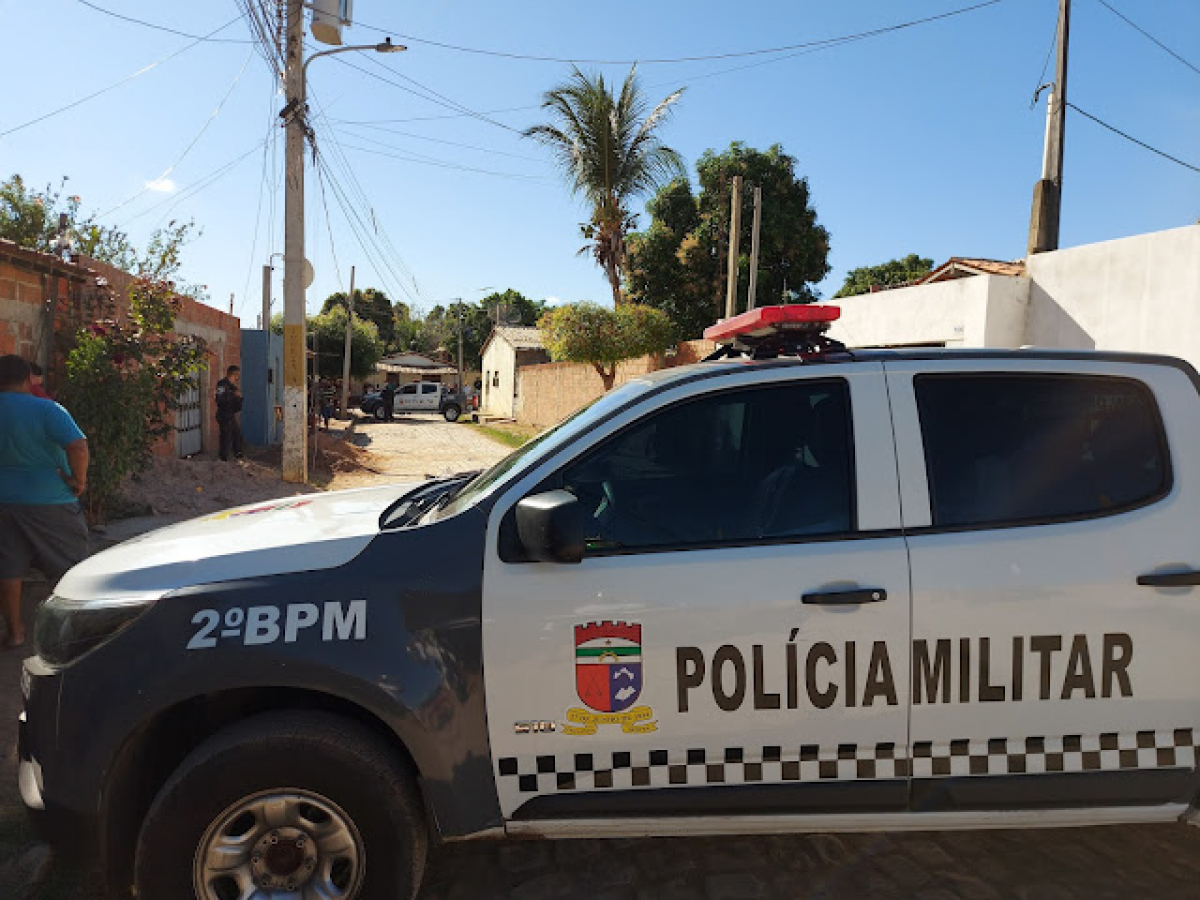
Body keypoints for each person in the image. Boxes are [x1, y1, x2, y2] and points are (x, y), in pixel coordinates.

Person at [0, 355, 90, 649]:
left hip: (4, 500)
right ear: (28, 379)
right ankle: (77, 631)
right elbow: (77, 446)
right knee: (71, 565)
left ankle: (15, 632)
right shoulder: (47, 409)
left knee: (8, 568)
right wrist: (79, 481)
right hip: (49, 499)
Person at [215, 365, 245, 461]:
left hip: (230, 414)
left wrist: (239, 398)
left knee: (236, 434)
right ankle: (223, 457)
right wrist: (233, 395)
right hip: (223, 414)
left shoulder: (233, 387)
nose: (237, 378)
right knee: (225, 436)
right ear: (233, 374)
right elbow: (220, 399)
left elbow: (237, 404)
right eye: (237, 376)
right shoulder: (222, 384)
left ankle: (238, 454)